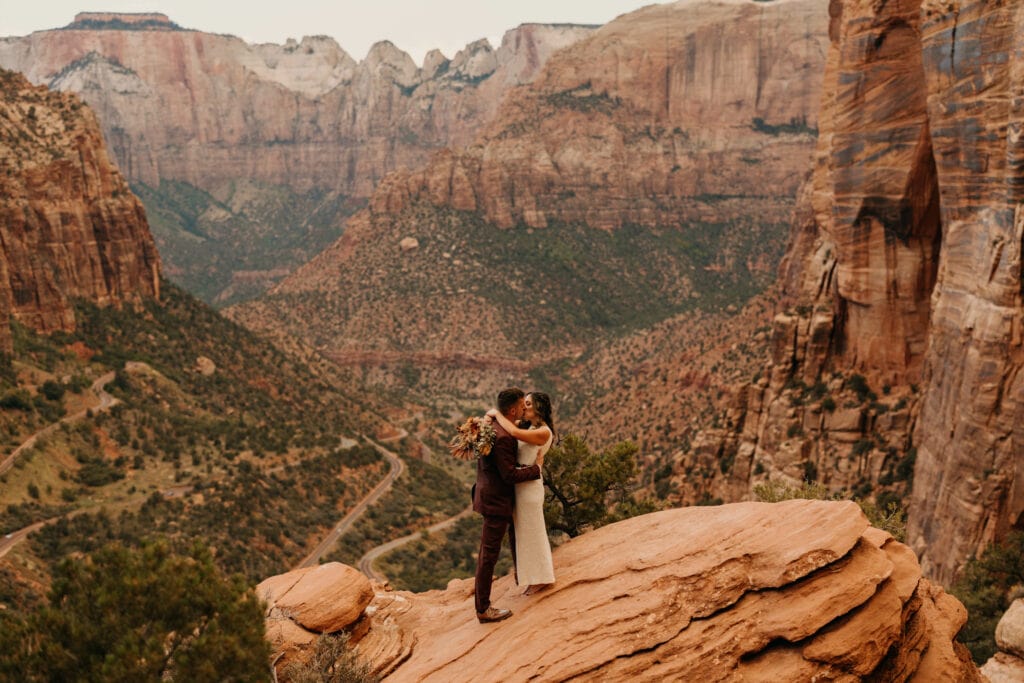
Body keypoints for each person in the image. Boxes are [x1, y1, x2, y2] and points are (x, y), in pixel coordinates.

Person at [473, 387, 541, 623]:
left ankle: (524, 578)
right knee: (489, 554)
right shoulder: (503, 437)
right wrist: (537, 470)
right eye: (523, 405)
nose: (525, 408)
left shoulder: (494, 426)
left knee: (511, 540)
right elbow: (509, 475)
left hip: (490, 496)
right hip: (496, 501)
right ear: (512, 410)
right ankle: (483, 608)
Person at [488, 391, 555, 595]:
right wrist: (488, 419)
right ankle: (532, 578)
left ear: (539, 408)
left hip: (529, 487)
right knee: (523, 536)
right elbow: (507, 429)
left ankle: (543, 577)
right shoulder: (530, 426)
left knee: (533, 533)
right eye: (523, 403)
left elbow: (514, 434)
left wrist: (497, 414)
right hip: (521, 484)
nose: (524, 407)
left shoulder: (543, 432)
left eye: (528, 404)